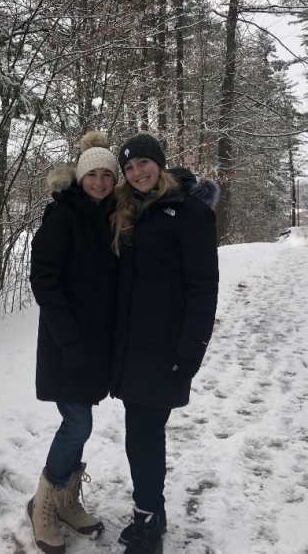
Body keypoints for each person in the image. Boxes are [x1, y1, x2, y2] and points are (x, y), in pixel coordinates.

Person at [110, 133, 219, 554]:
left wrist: (191, 350)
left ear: (159, 162)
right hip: (130, 346)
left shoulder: (188, 211)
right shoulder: (128, 210)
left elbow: (203, 285)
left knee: (144, 433)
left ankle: (149, 522)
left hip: (164, 347)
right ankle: (149, 511)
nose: (137, 172)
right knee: (141, 432)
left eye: (143, 163)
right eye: (130, 167)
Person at [27, 131, 119, 554]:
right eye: (92, 174)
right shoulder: (62, 215)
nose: (99, 182)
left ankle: (65, 501)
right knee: (77, 423)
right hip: (67, 342)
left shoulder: (113, 215)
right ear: (79, 177)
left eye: (106, 175)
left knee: (82, 424)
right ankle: (44, 503)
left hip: (97, 344)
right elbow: (44, 280)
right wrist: (68, 340)